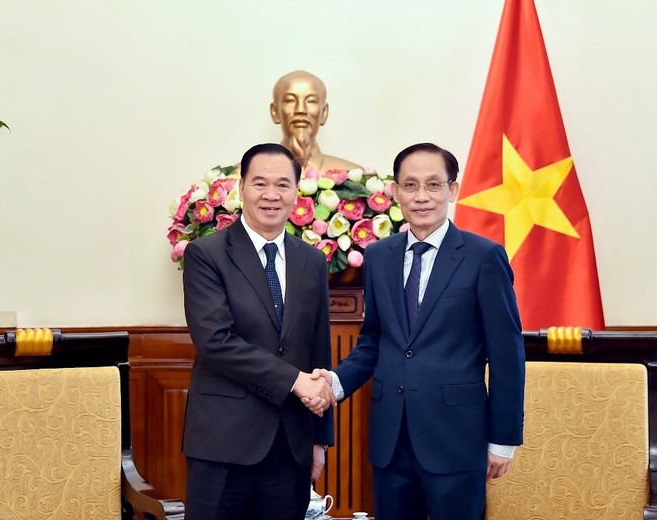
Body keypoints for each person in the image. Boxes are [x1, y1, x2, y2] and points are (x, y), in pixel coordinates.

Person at [311, 143, 525, 520]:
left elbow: (507, 356)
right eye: (410, 186)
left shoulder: (483, 256)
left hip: (457, 439)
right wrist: (335, 384)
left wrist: (504, 440)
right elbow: (374, 339)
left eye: (433, 185)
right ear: (395, 192)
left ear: (452, 190)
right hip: (391, 440)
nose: (422, 197)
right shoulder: (379, 256)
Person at [182, 142, 335, 520]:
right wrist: (295, 382)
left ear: (297, 193)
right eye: (260, 183)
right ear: (241, 187)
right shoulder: (206, 255)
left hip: (292, 446)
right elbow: (216, 342)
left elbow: (319, 352)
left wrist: (320, 439)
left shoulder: (312, 260)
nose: (271, 195)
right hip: (223, 443)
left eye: (283, 185)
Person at [270, 70, 363, 175]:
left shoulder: (354, 176)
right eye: (290, 100)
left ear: (324, 113)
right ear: (275, 112)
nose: (300, 110)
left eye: (311, 101)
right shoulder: (251, 176)